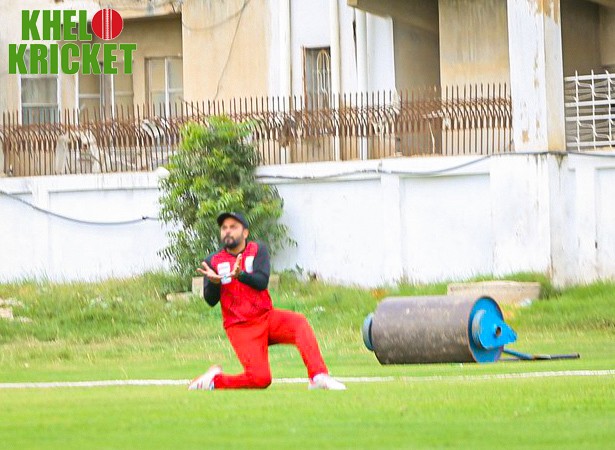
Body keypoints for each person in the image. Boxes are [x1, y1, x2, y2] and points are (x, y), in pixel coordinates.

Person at [188, 212, 346, 391]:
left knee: (299, 323)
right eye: (224, 228)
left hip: (266, 317)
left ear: (245, 232)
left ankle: (318, 376)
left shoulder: (257, 250)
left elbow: (261, 281)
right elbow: (210, 300)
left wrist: (241, 275)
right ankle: (214, 381)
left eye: (233, 227)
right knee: (260, 379)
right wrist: (214, 283)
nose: (227, 231)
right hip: (240, 326)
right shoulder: (213, 261)